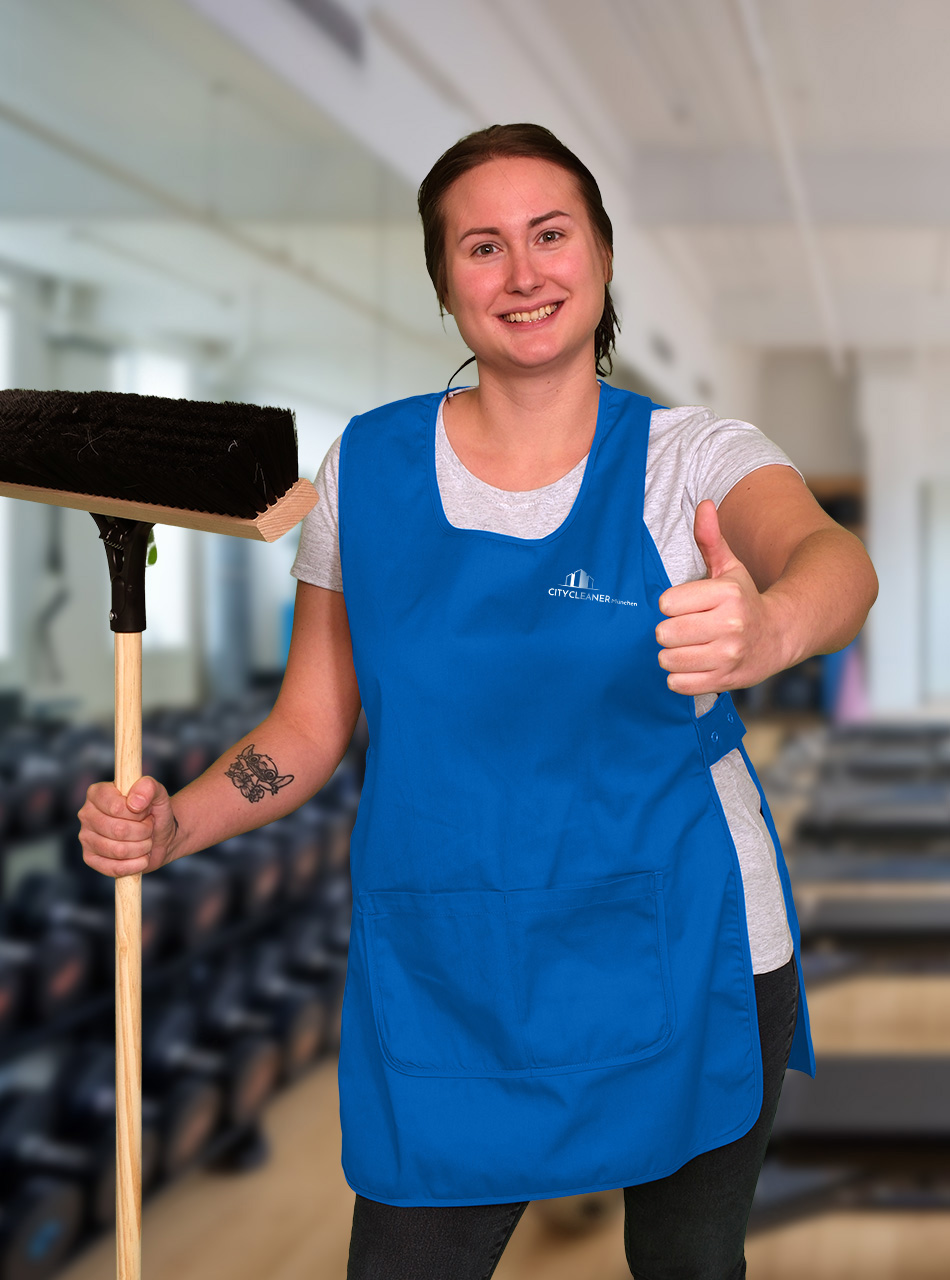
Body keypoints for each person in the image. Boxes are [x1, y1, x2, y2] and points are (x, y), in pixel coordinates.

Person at [78, 122, 878, 1279]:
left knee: (689, 1265)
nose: (522, 272)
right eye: (481, 246)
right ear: (445, 284)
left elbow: (826, 558)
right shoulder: (367, 466)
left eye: (550, 234)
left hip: (677, 929)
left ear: (600, 256)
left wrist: (769, 626)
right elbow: (310, 723)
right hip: (451, 955)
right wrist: (176, 822)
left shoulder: (686, 456)